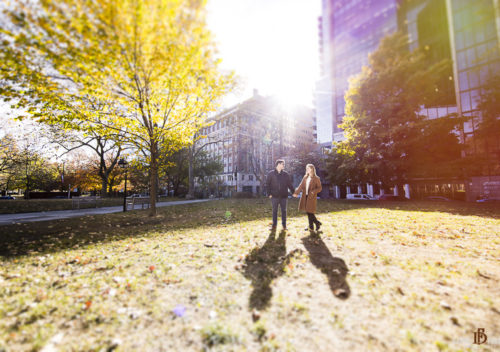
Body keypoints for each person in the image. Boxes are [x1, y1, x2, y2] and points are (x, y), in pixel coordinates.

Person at [266, 159, 295, 230]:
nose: (283, 165)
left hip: (283, 196)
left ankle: (284, 226)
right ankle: (274, 225)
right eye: (282, 164)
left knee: (284, 211)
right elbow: (267, 185)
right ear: (278, 164)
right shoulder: (271, 174)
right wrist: (269, 193)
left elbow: (289, 184)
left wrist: (294, 192)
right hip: (274, 196)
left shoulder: (286, 174)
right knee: (274, 211)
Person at [293, 164, 322, 231]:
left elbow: (320, 188)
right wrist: (296, 193)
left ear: (312, 169)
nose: (307, 170)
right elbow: (301, 185)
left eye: (309, 168)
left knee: (310, 211)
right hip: (304, 196)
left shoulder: (316, 178)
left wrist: (313, 191)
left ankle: (316, 224)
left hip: (311, 197)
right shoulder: (305, 177)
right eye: (307, 168)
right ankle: (312, 226)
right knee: (308, 211)